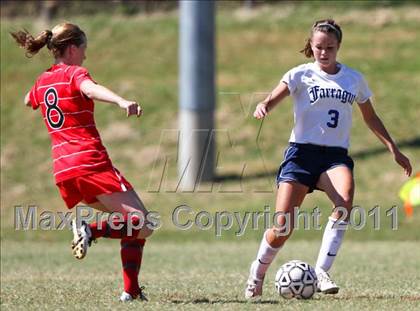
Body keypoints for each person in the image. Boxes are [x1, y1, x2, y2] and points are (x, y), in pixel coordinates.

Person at [245, 19, 412, 298]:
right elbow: (274, 97)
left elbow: (370, 117)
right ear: (311, 46)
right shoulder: (299, 74)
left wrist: (393, 148)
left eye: (330, 48)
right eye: (319, 47)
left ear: (339, 47)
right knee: (282, 227)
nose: (324, 52)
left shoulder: (353, 79)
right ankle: (257, 273)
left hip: (334, 156)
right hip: (301, 154)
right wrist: (264, 105)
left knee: (345, 201)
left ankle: (321, 270)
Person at [11, 23, 154, 302]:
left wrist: (35, 97)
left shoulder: (43, 81)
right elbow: (89, 89)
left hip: (64, 171)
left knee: (131, 223)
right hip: (90, 163)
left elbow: (29, 99)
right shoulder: (75, 73)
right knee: (144, 223)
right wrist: (121, 101)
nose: (86, 56)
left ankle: (132, 291)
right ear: (73, 48)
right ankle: (91, 229)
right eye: (84, 49)